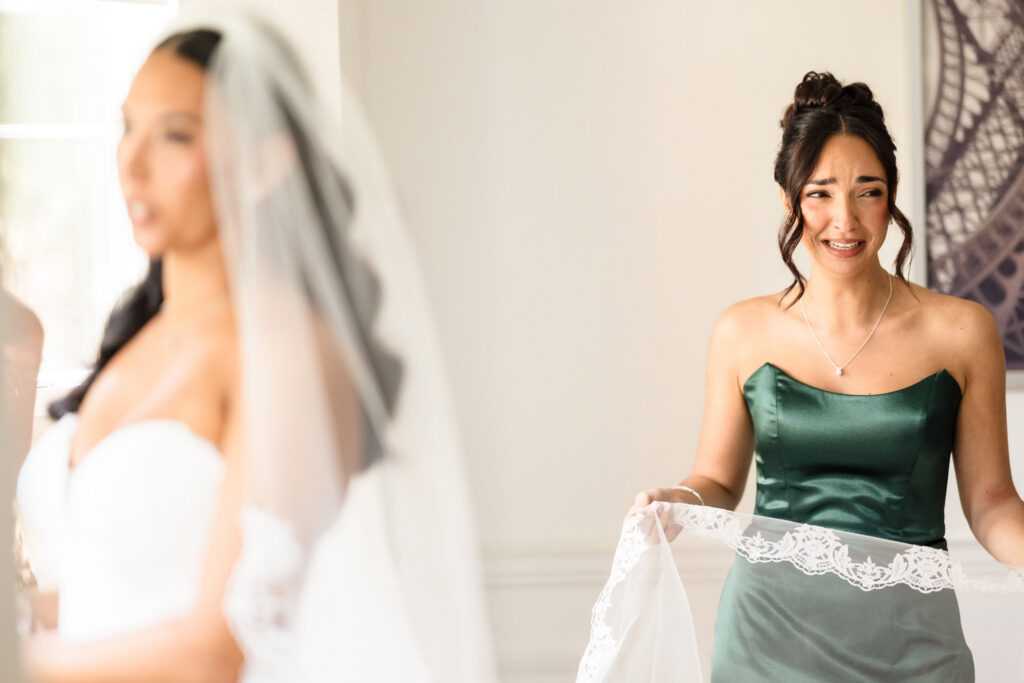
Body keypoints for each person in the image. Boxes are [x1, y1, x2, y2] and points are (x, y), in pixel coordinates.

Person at [15, 8, 494, 682]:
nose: (132, 161)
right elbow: (118, 590)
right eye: (127, 127)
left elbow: (223, 643)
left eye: (175, 136)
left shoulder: (289, 354)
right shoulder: (136, 341)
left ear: (267, 163)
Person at [622, 71, 1024, 680]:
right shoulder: (742, 330)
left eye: (868, 191)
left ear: (891, 197)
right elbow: (718, 480)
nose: (846, 220)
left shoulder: (962, 332)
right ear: (789, 200)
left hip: (913, 642)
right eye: (820, 193)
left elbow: (992, 503)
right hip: (768, 639)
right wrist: (677, 502)